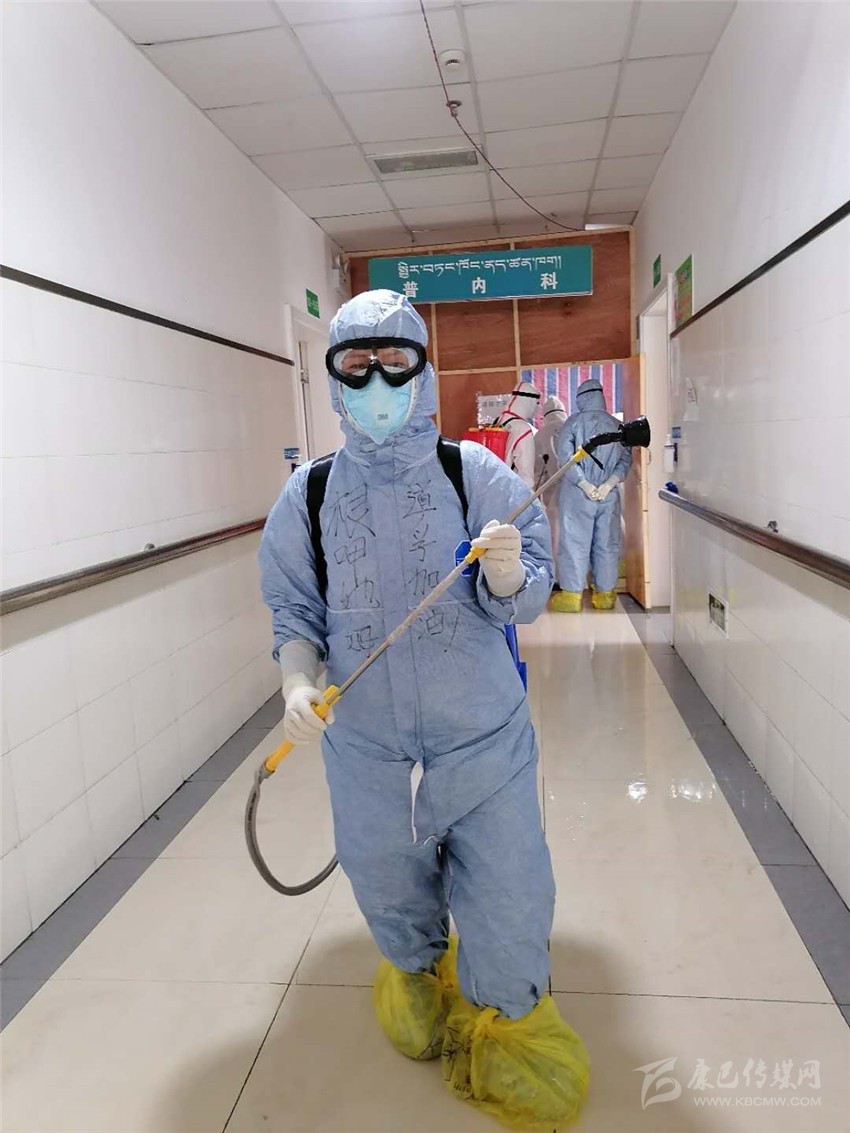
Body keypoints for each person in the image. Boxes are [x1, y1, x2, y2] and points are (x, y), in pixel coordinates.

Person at [259, 291, 588, 1129]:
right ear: (334, 378)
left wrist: (508, 575)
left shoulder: (472, 473)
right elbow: (294, 612)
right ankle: (416, 970)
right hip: (368, 752)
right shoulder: (307, 495)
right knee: (387, 882)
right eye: (356, 365)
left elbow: (529, 586)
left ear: (423, 369)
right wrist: (297, 684)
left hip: (481, 740)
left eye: (394, 362)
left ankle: (511, 1018)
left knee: (508, 891)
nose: (377, 383)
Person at [551, 376, 632, 612]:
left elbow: (566, 460)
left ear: (581, 399)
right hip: (608, 495)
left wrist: (585, 484)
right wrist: (609, 484)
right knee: (607, 543)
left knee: (574, 543)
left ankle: (572, 596)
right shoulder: (618, 425)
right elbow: (626, 459)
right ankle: (605, 595)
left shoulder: (572, 424)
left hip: (577, 494)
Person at [533, 395, 567, 583]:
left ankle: (557, 580)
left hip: (553, 494)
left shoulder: (540, 435)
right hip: (580, 492)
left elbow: (537, 472)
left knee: (555, 538)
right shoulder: (573, 427)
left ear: (544, 415)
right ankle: (579, 581)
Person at [494, 380, 539, 488]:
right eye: (536, 403)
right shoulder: (522, 428)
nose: (537, 408)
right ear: (528, 401)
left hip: (495, 487)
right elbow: (526, 474)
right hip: (511, 491)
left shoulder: (498, 421)